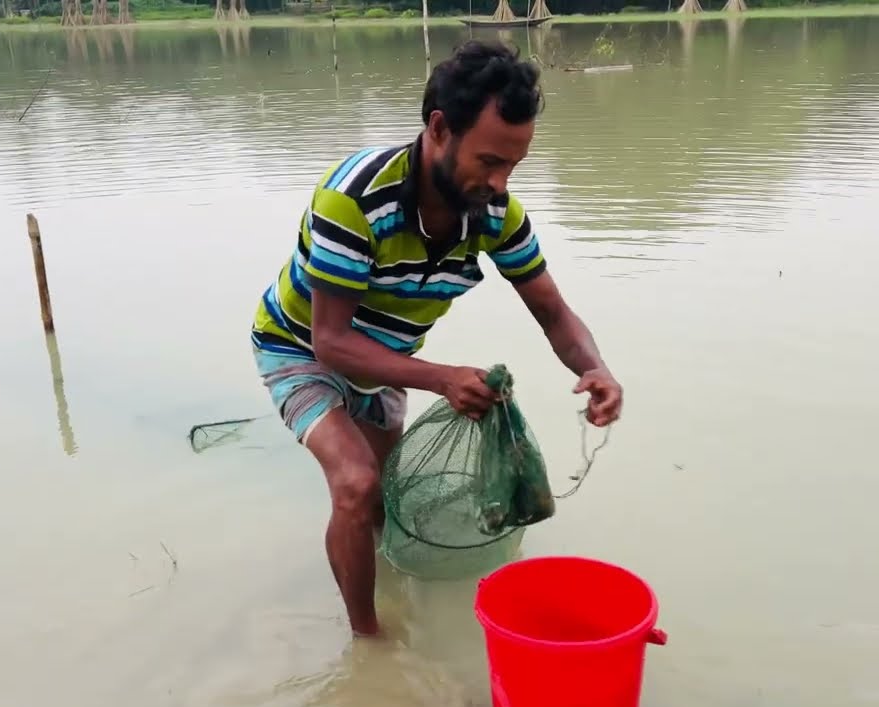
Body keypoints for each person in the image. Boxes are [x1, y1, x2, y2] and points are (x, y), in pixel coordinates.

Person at [248, 39, 623, 637]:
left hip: (389, 360)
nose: (500, 184)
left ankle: (391, 586)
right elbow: (332, 344)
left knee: (383, 500)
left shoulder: (497, 214)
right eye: (489, 161)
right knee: (357, 483)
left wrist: (596, 368)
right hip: (299, 346)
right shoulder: (354, 199)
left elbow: (553, 312)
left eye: (514, 167)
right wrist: (443, 378)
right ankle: (368, 641)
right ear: (440, 128)